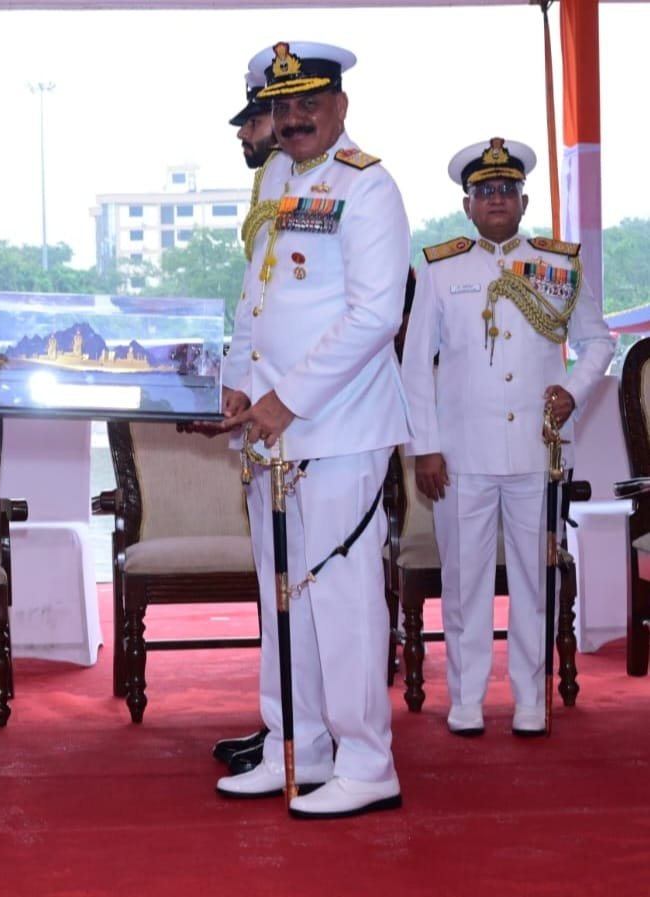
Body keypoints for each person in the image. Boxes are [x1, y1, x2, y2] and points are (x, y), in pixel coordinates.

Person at [215, 41, 410, 819]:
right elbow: (254, 298)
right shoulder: (276, 177)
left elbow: (376, 313)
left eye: (308, 105)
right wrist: (239, 376)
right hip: (271, 431)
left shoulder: (369, 188)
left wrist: (288, 398)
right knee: (281, 595)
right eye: (282, 107)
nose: (293, 120)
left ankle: (368, 761)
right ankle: (294, 744)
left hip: (337, 426)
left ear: (340, 107)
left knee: (344, 599)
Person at [401, 138, 614, 737]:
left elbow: (598, 341)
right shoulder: (441, 269)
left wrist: (574, 389)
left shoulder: (558, 265)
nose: (495, 199)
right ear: (467, 205)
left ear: (523, 201)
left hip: (538, 453)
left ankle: (529, 698)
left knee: (535, 579)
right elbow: (417, 366)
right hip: (461, 454)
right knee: (463, 580)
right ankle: (466, 699)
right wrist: (426, 446)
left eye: (506, 190)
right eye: (483, 191)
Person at [209, 68, 279, 776]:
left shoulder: (317, 193)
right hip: (266, 426)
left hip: (304, 424)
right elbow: (252, 314)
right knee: (274, 582)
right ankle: (281, 723)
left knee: (297, 588)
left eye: (250, 120)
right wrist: (233, 391)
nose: (243, 133)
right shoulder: (271, 193)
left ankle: (298, 733)